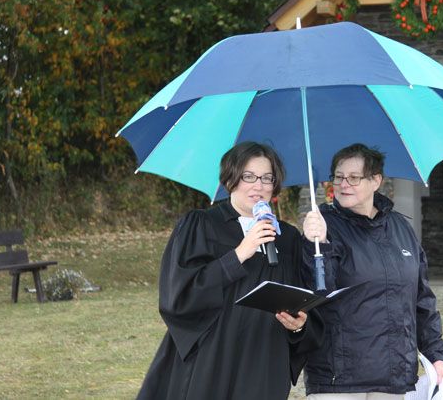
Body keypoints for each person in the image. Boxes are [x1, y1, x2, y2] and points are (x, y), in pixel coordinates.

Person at [137, 141, 324, 400]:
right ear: (230, 179)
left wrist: (298, 327)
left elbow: (306, 302)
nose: (258, 185)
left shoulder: (288, 238)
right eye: (248, 176)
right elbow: (179, 296)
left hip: (264, 362)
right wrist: (239, 254)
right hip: (212, 359)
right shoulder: (201, 226)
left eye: (267, 178)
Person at [301, 143, 443, 399]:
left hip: (392, 376)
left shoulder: (401, 228)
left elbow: (421, 298)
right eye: (338, 177)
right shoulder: (322, 227)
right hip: (338, 378)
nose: (344, 184)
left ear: (376, 180)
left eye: (354, 177)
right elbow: (317, 294)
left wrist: (436, 352)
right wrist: (319, 245)